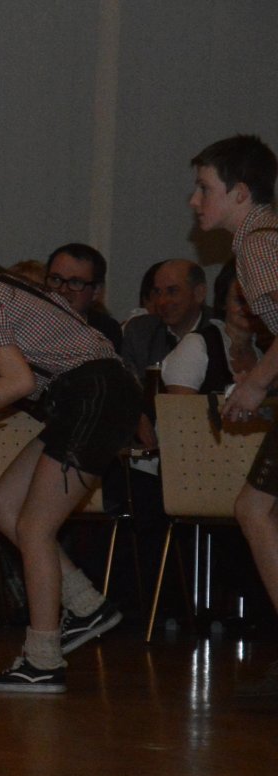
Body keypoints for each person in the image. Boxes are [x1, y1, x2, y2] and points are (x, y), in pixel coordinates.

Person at [0, 197, 140, 694]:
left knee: (35, 526)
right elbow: (21, 379)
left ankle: (43, 659)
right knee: (3, 505)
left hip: (92, 396)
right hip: (89, 395)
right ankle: (86, 607)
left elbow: (16, 382)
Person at [189, 134, 278, 698]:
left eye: (205, 188)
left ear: (241, 193)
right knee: (258, 509)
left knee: (254, 509)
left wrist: (255, 385)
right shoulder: (264, 239)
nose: (194, 201)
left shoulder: (259, 246)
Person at [45, 242, 124, 351]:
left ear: (96, 291)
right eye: (56, 279)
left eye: (75, 282)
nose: (63, 290)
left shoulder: (105, 330)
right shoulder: (28, 323)